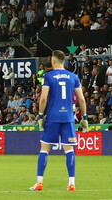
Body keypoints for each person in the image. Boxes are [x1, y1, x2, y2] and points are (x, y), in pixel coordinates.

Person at [31, 50, 88, 192]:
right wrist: (85, 117)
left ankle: (39, 183)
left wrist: (40, 115)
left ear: (54, 61)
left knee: (44, 149)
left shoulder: (48, 76)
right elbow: (81, 99)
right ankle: (71, 184)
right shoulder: (73, 77)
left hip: (53, 117)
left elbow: (43, 98)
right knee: (69, 149)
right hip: (68, 118)